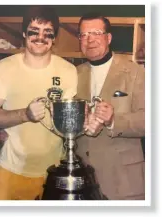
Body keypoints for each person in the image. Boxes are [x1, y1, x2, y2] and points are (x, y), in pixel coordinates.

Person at [0, 6, 77, 200]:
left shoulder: (69, 70)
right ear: (23, 33)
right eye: (33, 31)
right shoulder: (5, 67)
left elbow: (70, 121)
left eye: (48, 33)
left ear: (54, 38)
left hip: (53, 171)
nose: (40, 37)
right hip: (11, 170)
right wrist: (25, 115)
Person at [76, 13, 145, 200]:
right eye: (83, 35)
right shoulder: (74, 73)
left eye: (96, 33)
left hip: (123, 181)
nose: (89, 40)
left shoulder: (136, 72)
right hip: (82, 180)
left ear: (108, 38)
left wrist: (114, 120)